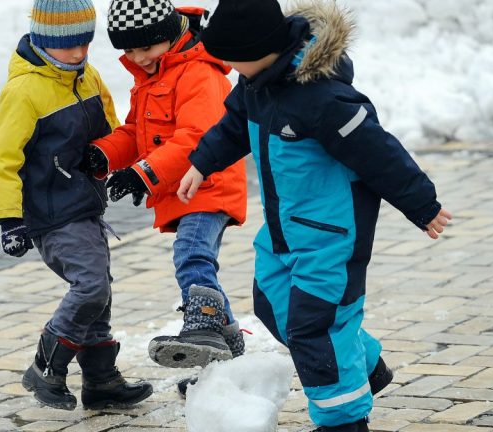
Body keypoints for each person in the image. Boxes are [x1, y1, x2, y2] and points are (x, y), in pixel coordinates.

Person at [176, 0, 452, 430]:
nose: (226, 66)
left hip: (331, 237)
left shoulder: (323, 97)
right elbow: (232, 126)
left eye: (230, 58)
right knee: (272, 305)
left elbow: (380, 153)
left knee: (315, 328)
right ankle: (367, 367)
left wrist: (423, 205)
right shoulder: (254, 84)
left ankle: (342, 421)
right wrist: (201, 163)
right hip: (283, 232)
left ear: (258, 49)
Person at [0, 0, 152, 411]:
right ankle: (46, 366)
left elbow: (111, 130)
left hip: (85, 206)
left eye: (85, 43)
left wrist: (123, 166)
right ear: (43, 40)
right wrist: (10, 220)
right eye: (68, 45)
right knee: (91, 287)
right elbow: (3, 159)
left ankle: (101, 382)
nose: (78, 53)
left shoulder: (87, 76)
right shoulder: (23, 91)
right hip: (52, 215)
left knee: (100, 295)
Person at [80, 0, 249, 379]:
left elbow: (196, 138)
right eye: (129, 50)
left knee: (191, 253)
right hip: (182, 188)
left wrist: (144, 173)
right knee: (195, 257)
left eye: (146, 47)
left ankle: (204, 327)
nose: (138, 57)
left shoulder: (198, 74)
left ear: (170, 35)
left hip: (209, 183)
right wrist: (104, 154)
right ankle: (229, 352)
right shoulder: (152, 78)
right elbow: (136, 132)